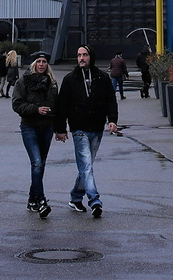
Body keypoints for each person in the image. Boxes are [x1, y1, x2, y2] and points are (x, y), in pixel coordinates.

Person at [55, 45, 118, 218]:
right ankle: (95, 201)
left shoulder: (102, 78)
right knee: (87, 166)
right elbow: (62, 106)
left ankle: (76, 197)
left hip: (97, 128)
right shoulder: (70, 79)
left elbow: (111, 100)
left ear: (91, 57)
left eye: (84, 55)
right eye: (79, 55)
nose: (81, 58)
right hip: (79, 129)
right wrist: (60, 129)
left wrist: (112, 120)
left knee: (86, 167)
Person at [11, 51, 61, 216]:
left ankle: (32, 199)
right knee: (37, 163)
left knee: (40, 165)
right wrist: (36, 109)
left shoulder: (52, 83)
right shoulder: (23, 82)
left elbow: (58, 106)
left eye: (44, 62)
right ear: (33, 64)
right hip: (30, 126)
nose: (41, 64)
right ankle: (41, 201)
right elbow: (17, 105)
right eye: (38, 61)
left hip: (47, 127)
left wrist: (60, 128)